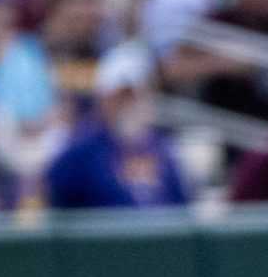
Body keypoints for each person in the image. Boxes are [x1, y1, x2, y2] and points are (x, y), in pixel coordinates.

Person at [42, 41, 186, 208]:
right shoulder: (80, 154)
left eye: (136, 94)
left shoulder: (164, 150)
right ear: (104, 98)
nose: (130, 103)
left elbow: (181, 206)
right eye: (122, 95)